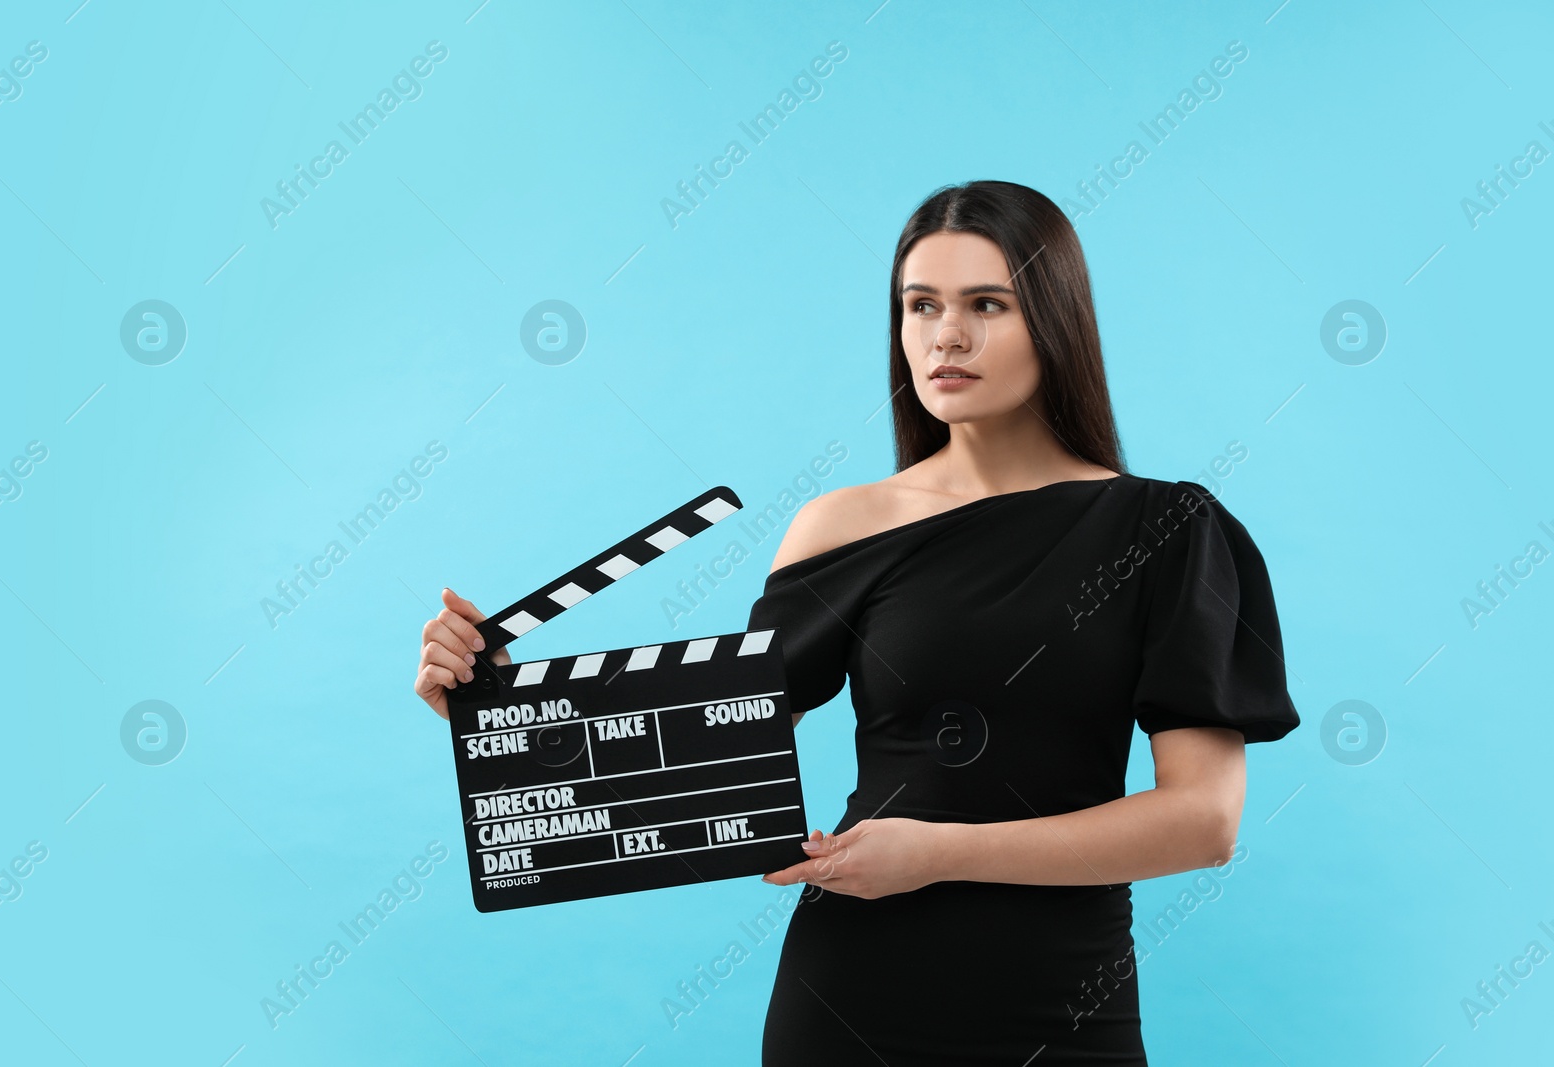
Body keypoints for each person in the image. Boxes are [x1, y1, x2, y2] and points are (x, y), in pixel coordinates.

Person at [414, 180, 1301, 1065]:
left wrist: (939, 853)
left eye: (986, 303)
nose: (946, 335)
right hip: (852, 998)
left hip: (1066, 998)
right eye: (921, 305)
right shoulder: (842, 525)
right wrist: (491, 715)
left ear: (1055, 319)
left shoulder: (1167, 531)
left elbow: (1204, 820)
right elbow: (700, 762)